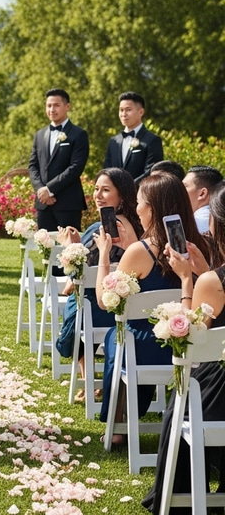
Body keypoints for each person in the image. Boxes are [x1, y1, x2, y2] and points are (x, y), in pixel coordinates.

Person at [95, 172, 207, 437]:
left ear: (152, 209)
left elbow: (103, 300)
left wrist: (104, 252)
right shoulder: (200, 246)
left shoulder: (140, 252)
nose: (136, 208)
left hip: (147, 349)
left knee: (117, 336)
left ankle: (119, 423)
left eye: (139, 202)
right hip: (191, 347)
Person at [142, 181, 225, 513]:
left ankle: (179, 496)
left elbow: (187, 347)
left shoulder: (213, 283)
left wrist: (189, 281)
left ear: (218, 225)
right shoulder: (214, 279)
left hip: (217, 399)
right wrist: (205, 271)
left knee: (183, 396)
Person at [54, 168, 142, 398]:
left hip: (99, 310)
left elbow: (77, 274)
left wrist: (67, 245)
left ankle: (88, 381)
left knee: (78, 302)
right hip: (129, 307)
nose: (98, 195)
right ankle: (89, 381)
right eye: (95, 189)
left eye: (105, 190)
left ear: (121, 195)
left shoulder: (102, 228)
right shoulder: (138, 224)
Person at [28, 88, 89, 231]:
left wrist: (50, 189)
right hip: (43, 203)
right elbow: (33, 166)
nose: (52, 109)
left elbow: (76, 167)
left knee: (69, 249)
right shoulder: (40, 134)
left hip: (68, 203)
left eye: (56, 105)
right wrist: (41, 191)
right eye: (49, 106)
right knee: (45, 248)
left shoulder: (78, 134)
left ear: (67, 107)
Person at [103, 92, 163, 182]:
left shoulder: (152, 140)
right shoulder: (113, 141)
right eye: (121, 110)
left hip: (140, 193)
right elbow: (107, 170)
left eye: (128, 110)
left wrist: (128, 189)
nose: (123, 114)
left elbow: (152, 172)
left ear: (141, 112)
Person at [182, 164, 223, 235]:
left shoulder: (194, 224)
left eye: (184, 187)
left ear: (202, 193)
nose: (180, 190)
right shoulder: (219, 219)